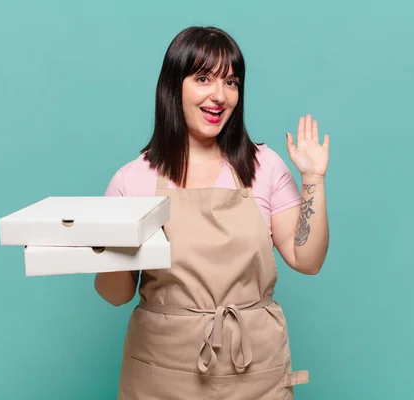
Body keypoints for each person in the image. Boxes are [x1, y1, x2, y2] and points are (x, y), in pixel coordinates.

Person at [95, 25, 330, 399]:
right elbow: (116, 294)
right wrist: (107, 248)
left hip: (254, 369)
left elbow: (307, 259)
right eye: (203, 78)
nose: (219, 96)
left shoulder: (264, 166)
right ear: (174, 86)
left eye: (231, 82)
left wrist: (313, 178)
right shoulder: (133, 179)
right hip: (162, 373)